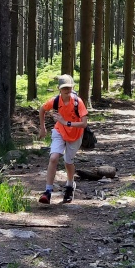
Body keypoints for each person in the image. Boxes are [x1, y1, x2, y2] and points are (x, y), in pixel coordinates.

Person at [37, 74, 88, 205]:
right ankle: (47, 192)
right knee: (53, 158)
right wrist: (43, 128)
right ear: (59, 89)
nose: (67, 90)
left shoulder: (78, 102)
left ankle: (70, 185)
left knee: (68, 162)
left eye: (69, 87)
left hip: (75, 135)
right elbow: (42, 109)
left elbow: (84, 123)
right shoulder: (55, 101)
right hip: (59, 131)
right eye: (64, 88)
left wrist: (66, 123)